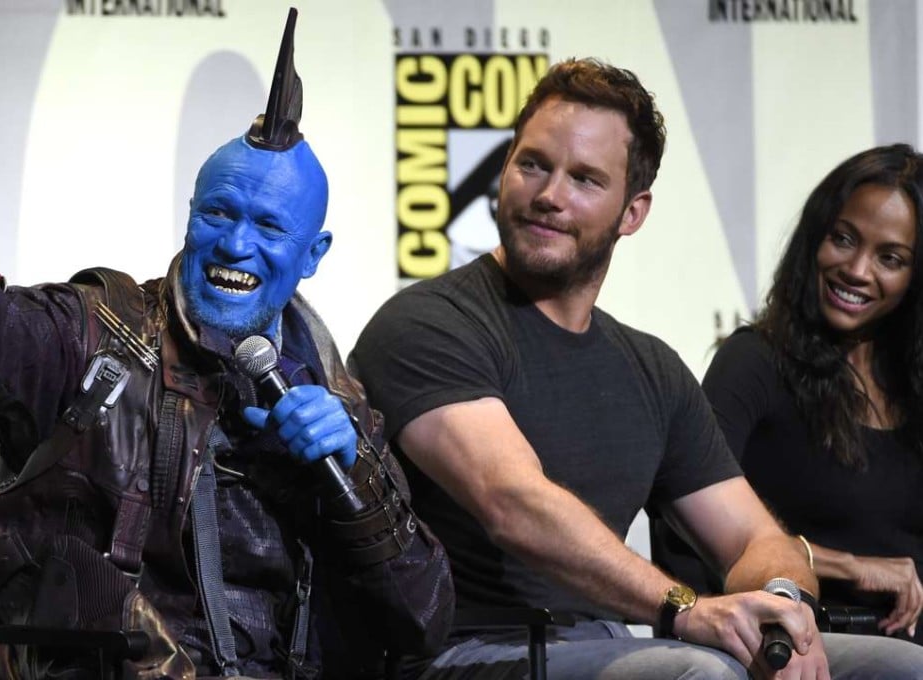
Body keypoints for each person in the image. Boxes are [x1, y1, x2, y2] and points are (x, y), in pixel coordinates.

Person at [0, 10, 453, 680]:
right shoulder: (100, 332)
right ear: (191, 213)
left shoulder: (336, 402)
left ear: (313, 254)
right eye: (219, 212)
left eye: (269, 225)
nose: (236, 244)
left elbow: (423, 620)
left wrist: (356, 475)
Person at [349, 57, 923, 678]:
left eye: (586, 180)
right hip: (462, 649)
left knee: (897, 666)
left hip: (608, 643)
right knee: (700, 674)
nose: (548, 195)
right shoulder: (428, 322)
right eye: (533, 164)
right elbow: (513, 502)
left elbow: (758, 541)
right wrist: (683, 607)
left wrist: (779, 607)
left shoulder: (650, 368)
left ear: (633, 212)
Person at [700, 144, 923, 645]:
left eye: (890, 258)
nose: (858, 270)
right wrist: (848, 567)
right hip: (799, 646)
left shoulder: (912, 388)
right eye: (843, 239)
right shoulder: (754, 362)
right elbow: (684, 530)